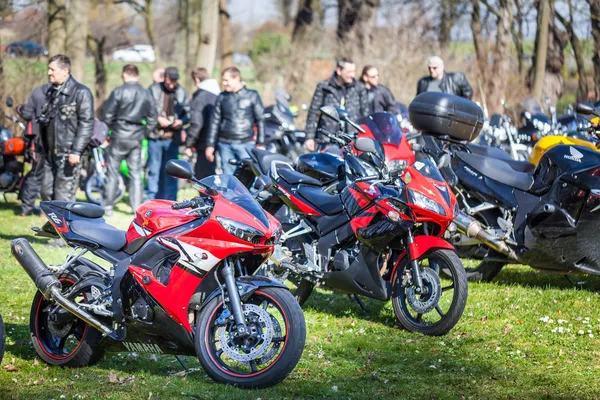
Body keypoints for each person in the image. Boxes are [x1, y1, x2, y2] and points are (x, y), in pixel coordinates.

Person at [102, 64, 157, 216]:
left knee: (112, 172)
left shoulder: (119, 91)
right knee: (136, 174)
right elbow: (153, 118)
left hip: (119, 135)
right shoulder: (146, 94)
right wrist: (143, 133)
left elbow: (107, 115)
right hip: (136, 137)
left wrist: (109, 131)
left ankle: (107, 207)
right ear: (137, 75)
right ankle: (137, 207)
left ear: (125, 75)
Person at [39, 54, 94, 202]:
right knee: (46, 192)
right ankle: (52, 224)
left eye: (52, 69)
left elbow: (87, 123)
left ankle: (66, 225)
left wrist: (76, 151)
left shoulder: (81, 92)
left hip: (68, 154)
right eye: (48, 69)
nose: (49, 73)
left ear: (65, 71)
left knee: (63, 198)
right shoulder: (52, 91)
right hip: (50, 154)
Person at [205, 67, 265, 175]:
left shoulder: (252, 95)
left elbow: (261, 119)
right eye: (223, 80)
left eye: (226, 80)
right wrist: (210, 145)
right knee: (229, 179)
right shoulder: (222, 97)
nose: (224, 83)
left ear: (237, 78)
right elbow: (214, 122)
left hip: (246, 144)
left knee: (249, 177)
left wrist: (261, 143)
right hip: (225, 144)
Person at [304, 57, 368, 151]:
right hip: (327, 140)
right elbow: (313, 112)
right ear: (339, 71)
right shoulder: (324, 87)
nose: (352, 75)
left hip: (352, 141)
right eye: (349, 72)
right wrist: (309, 137)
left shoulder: (359, 88)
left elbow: (365, 115)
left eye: (353, 71)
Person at [146, 66, 189, 201]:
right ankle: (152, 199)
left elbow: (188, 113)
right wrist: (157, 118)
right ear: (164, 78)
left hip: (172, 138)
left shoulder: (182, 92)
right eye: (169, 81)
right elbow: (147, 109)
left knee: (172, 172)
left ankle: (170, 200)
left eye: (174, 82)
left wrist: (181, 121)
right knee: (154, 170)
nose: (171, 85)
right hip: (156, 136)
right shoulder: (153, 89)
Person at [16, 82, 51, 216]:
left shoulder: (37, 91)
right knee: (44, 175)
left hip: (38, 142)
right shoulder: (63, 93)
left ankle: (27, 208)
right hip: (52, 142)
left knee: (35, 174)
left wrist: (19, 109)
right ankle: (43, 210)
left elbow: (26, 113)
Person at [183, 67, 221, 179]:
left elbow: (196, 123)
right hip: (219, 141)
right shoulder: (219, 95)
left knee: (204, 178)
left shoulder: (200, 98)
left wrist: (188, 143)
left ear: (196, 79)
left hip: (204, 143)